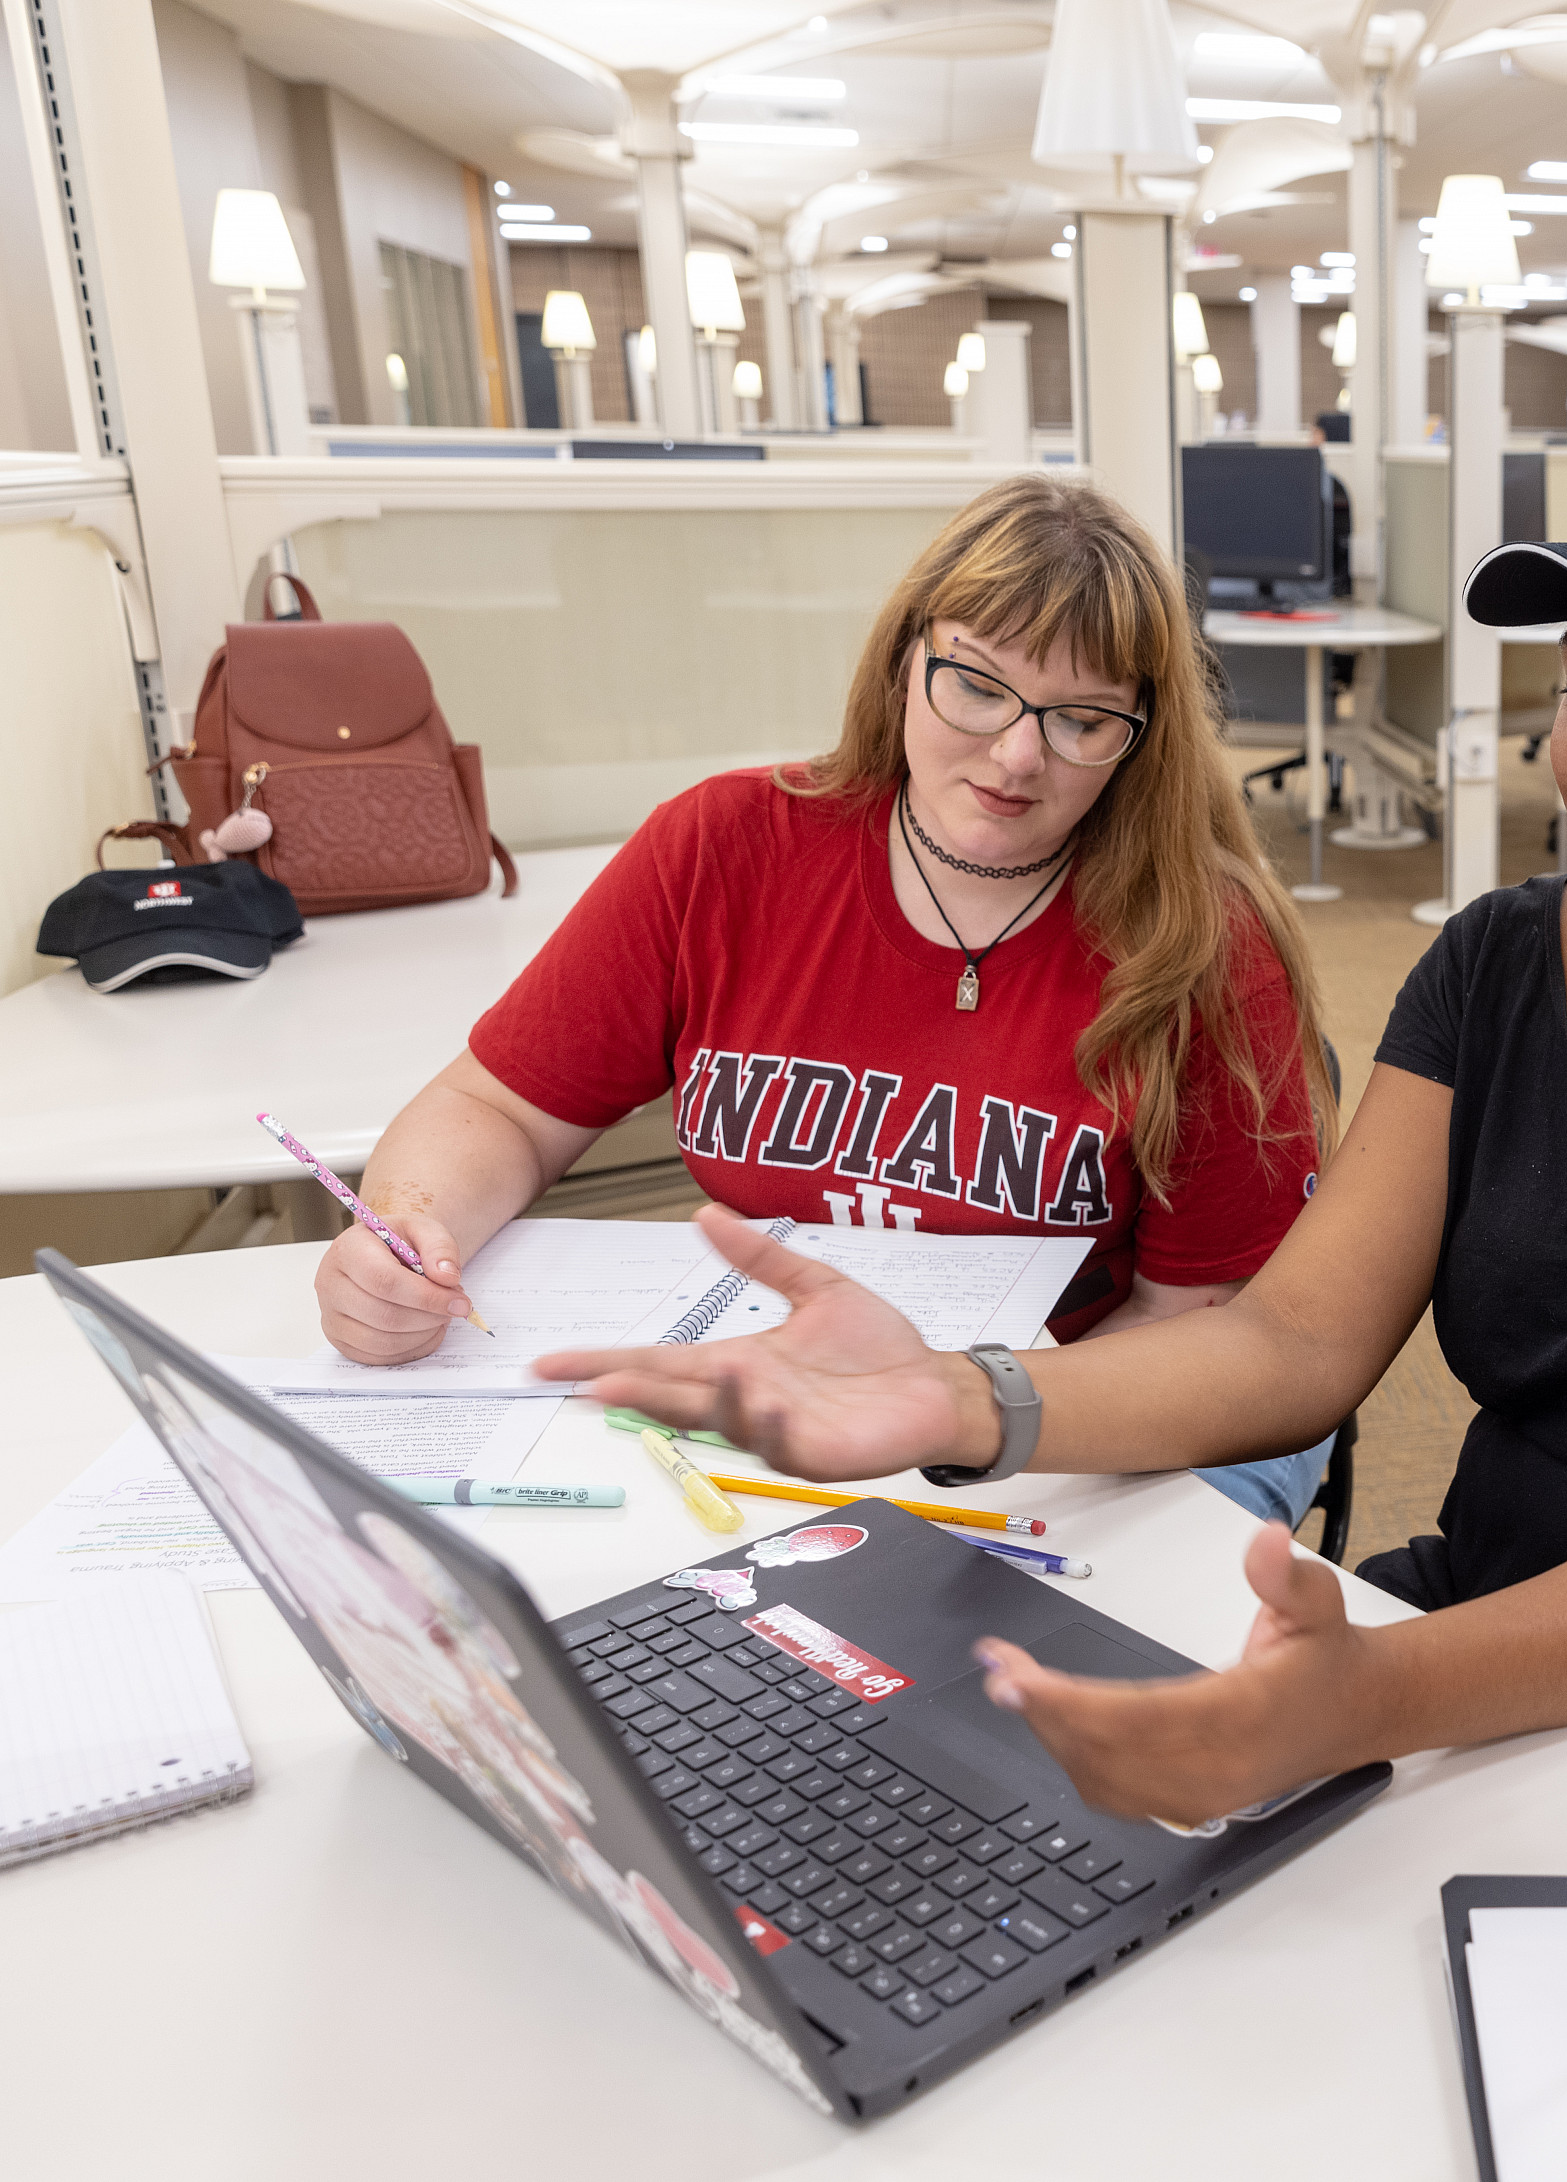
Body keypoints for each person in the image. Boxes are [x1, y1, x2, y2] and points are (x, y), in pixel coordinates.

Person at [548, 452, 1567, 1799]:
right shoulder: (1499, 960)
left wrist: (1376, 1696)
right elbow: (1295, 1341)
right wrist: (959, 1399)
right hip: (1481, 1625)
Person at [314, 472, 1341, 1526]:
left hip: (1080, 1428)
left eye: (1081, 719)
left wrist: (948, 1431)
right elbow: (498, 1108)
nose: (1017, 754)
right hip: (788, 1424)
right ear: (903, 662)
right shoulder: (724, 849)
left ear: (1140, 735)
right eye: (975, 685)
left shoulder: (1203, 944)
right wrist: (410, 1232)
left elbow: (1204, 1329)